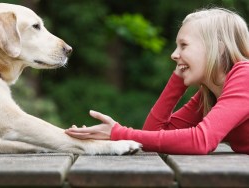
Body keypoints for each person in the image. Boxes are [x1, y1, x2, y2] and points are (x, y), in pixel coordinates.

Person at [65, 7, 249, 155]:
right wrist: (177, 79)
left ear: (219, 48)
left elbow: (201, 141)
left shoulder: (245, 76)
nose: (174, 54)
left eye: (184, 45)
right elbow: (154, 132)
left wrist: (118, 133)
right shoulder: (210, 94)